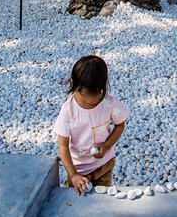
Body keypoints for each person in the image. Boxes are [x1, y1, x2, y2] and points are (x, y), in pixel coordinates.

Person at [54, 55, 128, 194]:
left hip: (104, 165)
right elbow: (63, 145)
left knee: (102, 198)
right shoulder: (68, 110)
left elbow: (120, 125)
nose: (90, 100)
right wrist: (73, 175)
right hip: (79, 170)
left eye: (96, 94)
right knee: (77, 202)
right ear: (74, 83)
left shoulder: (109, 103)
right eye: (85, 94)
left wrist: (106, 146)